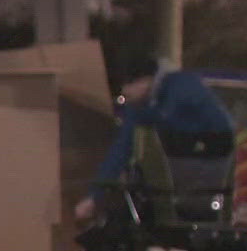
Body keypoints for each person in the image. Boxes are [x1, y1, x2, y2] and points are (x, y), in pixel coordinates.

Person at [73, 50, 235, 222]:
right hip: (177, 174)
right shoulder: (139, 106)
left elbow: (174, 118)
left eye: (129, 85)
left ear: (146, 80)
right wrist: (94, 196)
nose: (125, 91)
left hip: (210, 165)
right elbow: (121, 150)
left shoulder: (182, 86)